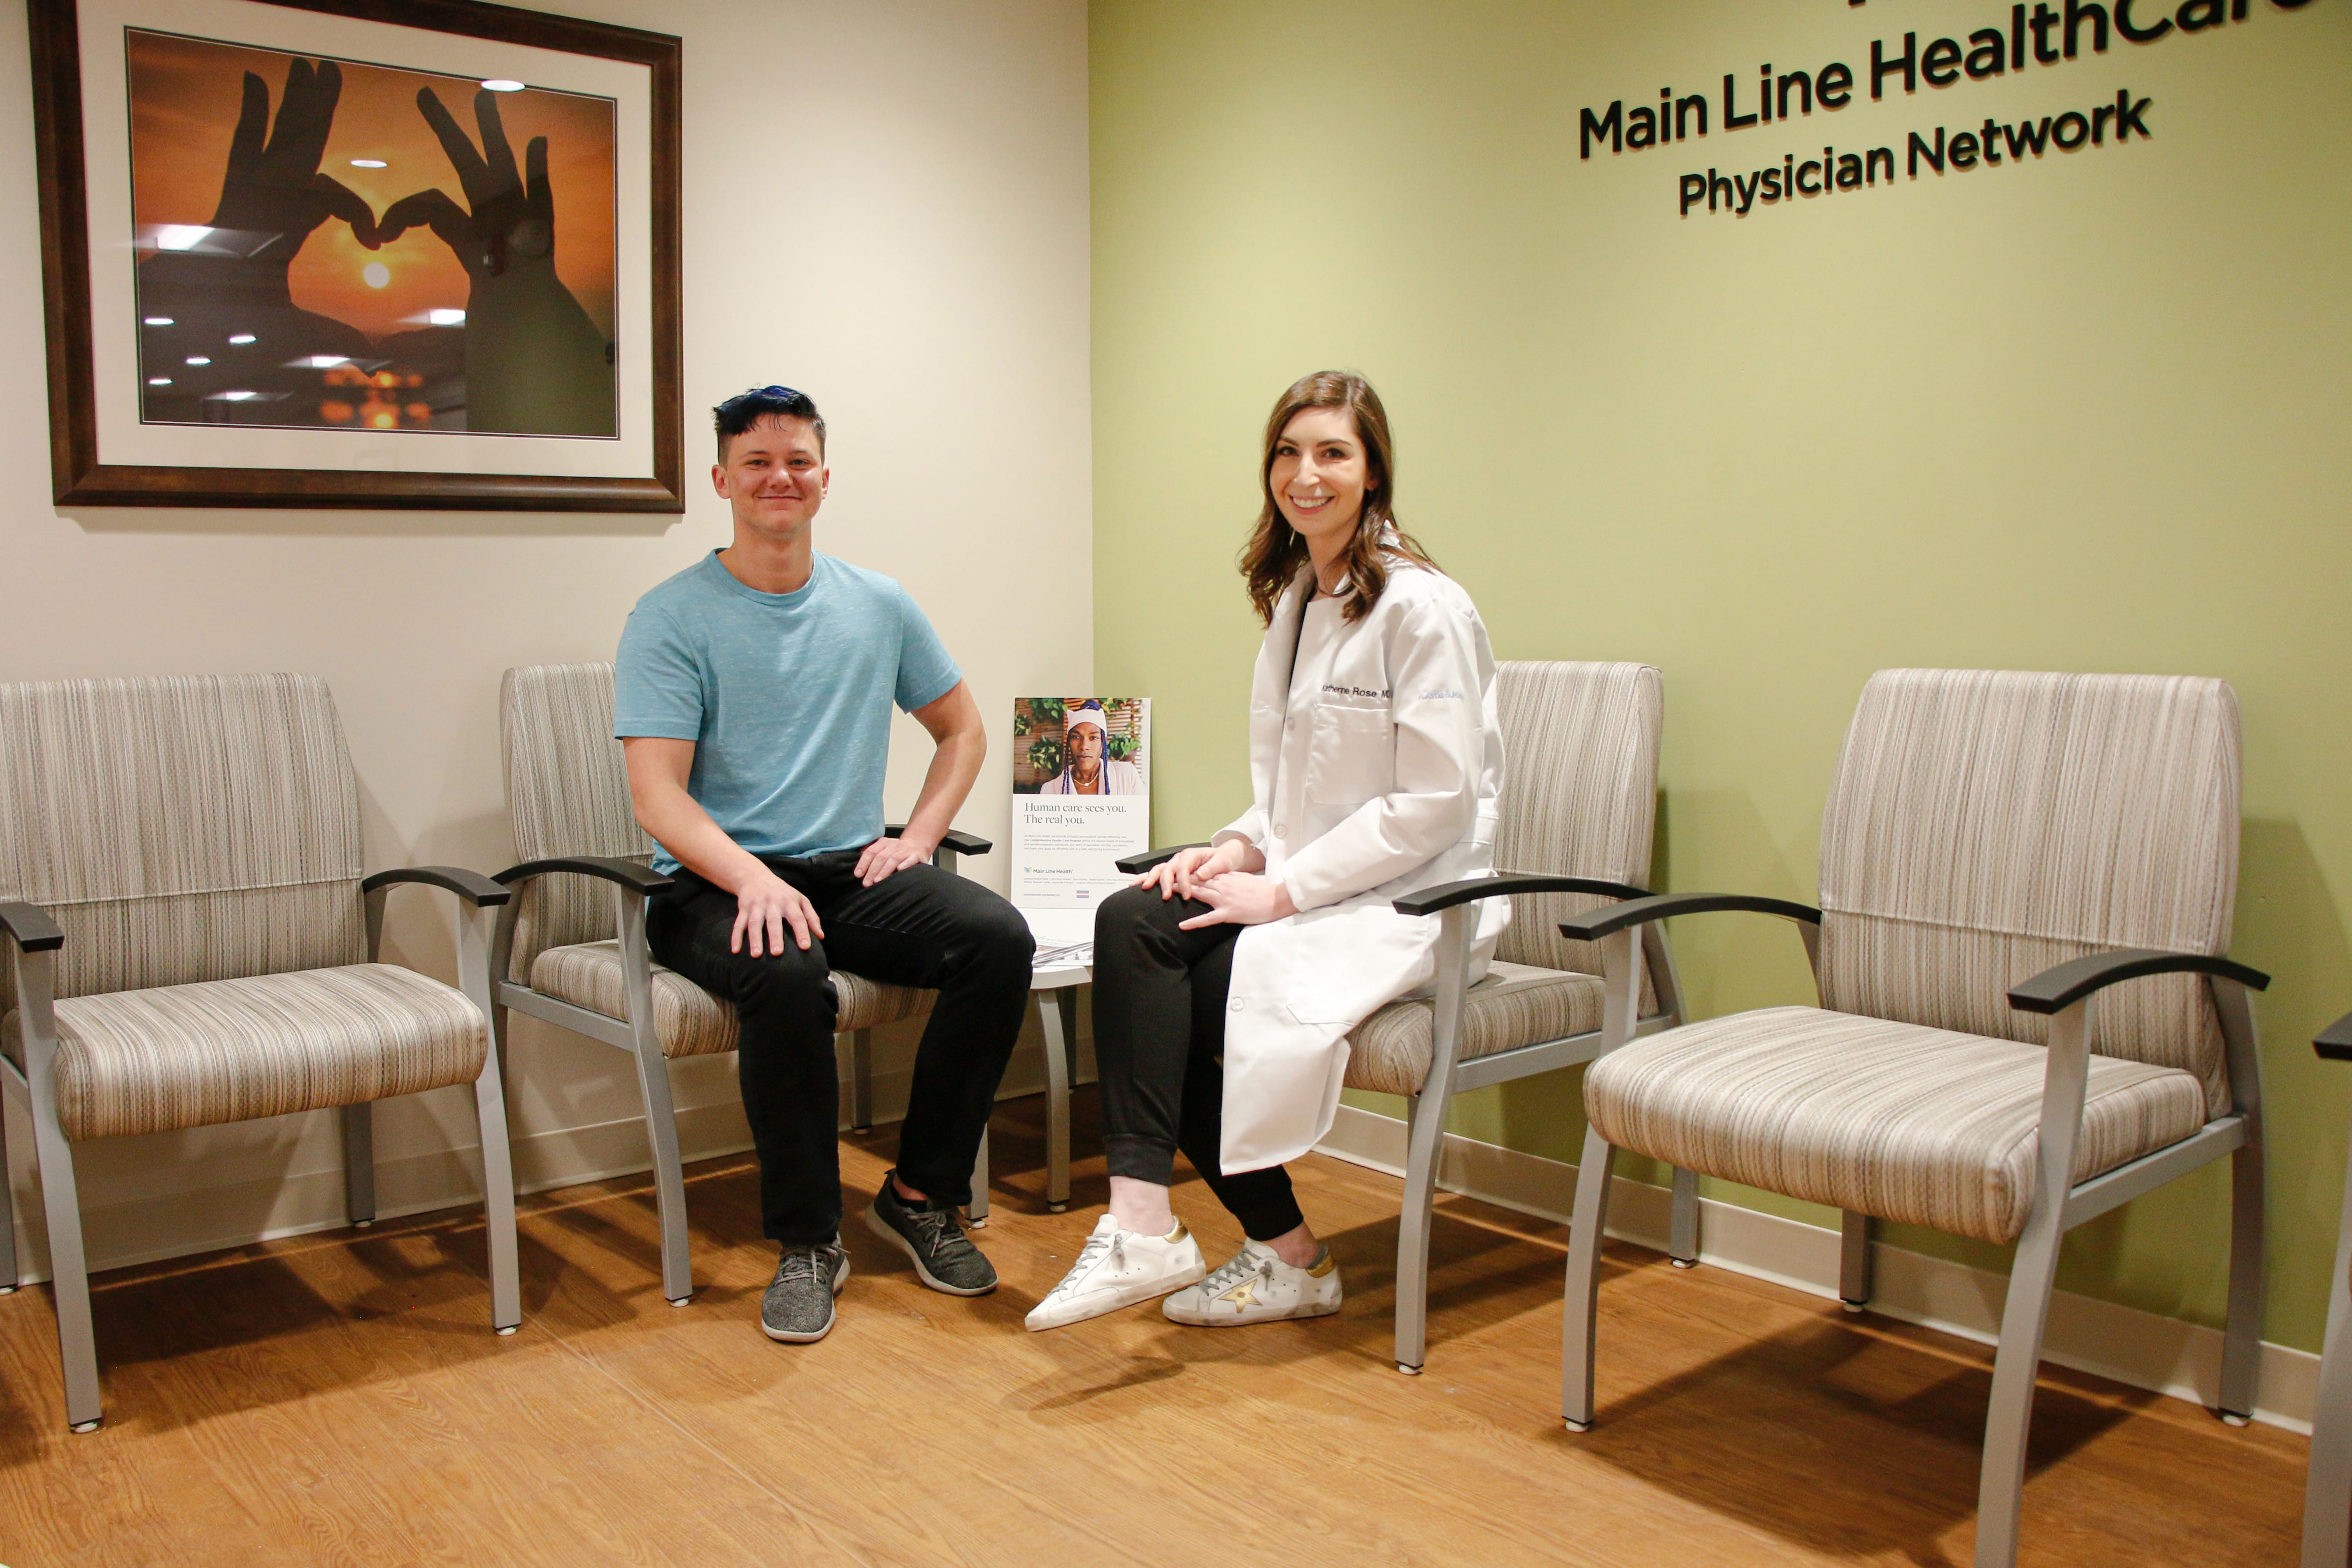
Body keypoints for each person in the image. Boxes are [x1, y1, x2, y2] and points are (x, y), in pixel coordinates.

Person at [1027, 371, 1507, 1333]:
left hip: (1411, 902)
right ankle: (1149, 1223)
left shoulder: (1423, 609)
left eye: (1333, 453)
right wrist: (1236, 845)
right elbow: (1299, 787)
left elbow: (1435, 804)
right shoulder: (1301, 595)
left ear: (1374, 474)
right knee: (1129, 921)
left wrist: (1282, 890)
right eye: (1288, 453)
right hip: (1311, 883)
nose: (1306, 474)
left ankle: (1277, 1255)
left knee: (1190, 998)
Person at [616, 385, 1033, 1345]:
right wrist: (751, 879)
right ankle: (809, 1241)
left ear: (824, 479)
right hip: (710, 886)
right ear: (723, 480)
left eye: (798, 460)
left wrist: (919, 838)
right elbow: (659, 798)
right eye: (757, 462)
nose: (779, 478)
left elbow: (962, 729)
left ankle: (923, 1193)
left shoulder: (876, 604)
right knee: (786, 969)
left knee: (996, 938)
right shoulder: (672, 616)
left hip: (846, 870)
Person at [1038, 701, 1145, 795]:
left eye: (1093, 738)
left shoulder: (1126, 776)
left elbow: (1143, 815)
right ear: (1069, 742)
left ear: (1103, 742)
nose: (1084, 747)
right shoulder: (1050, 790)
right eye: (1076, 737)